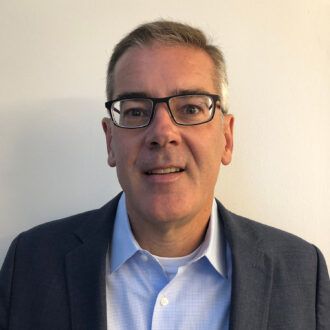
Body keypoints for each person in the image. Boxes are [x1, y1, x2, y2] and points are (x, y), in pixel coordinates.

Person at [0, 20, 329, 330]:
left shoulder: (302, 271)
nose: (162, 133)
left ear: (226, 139)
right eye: (137, 111)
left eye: (190, 108)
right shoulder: (30, 265)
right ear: (110, 141)